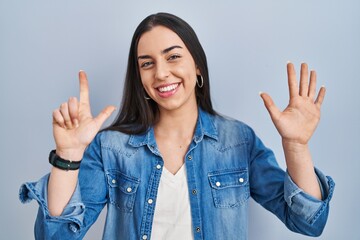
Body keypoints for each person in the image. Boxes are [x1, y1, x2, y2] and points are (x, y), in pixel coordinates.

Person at [19, 12, 334, 240]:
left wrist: (296, 146)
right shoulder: (112, 148)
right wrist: (68, 157)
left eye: (172, 57)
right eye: (147, 63)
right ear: (140, 80)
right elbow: (54, 236)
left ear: (196, 66)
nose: (161, 73)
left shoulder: (237, 141)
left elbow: (308, 222)